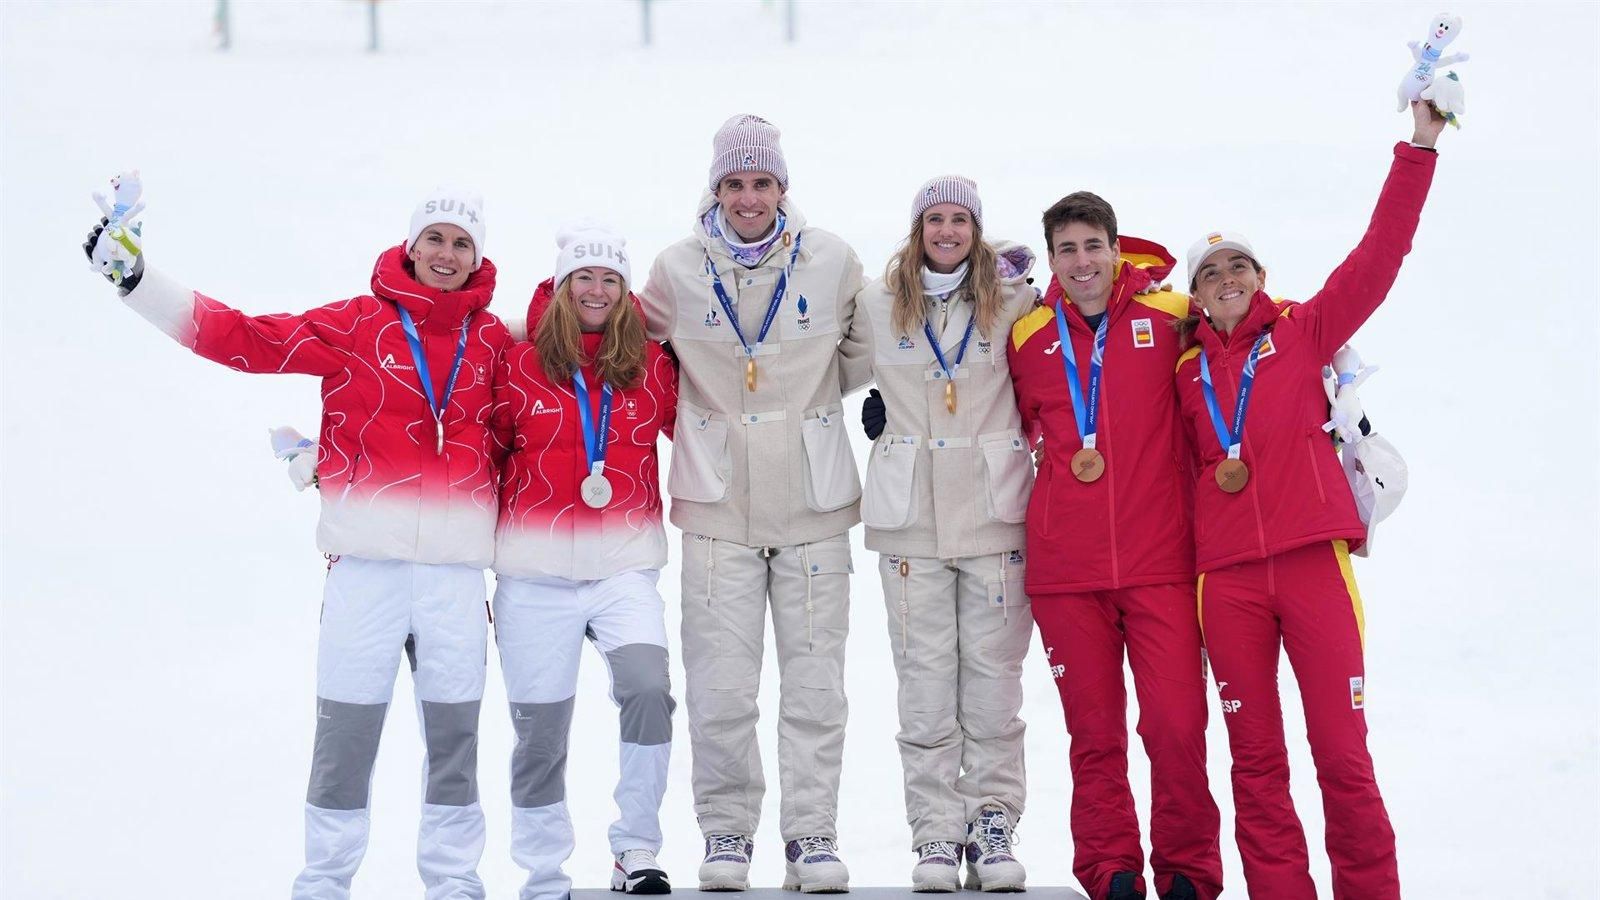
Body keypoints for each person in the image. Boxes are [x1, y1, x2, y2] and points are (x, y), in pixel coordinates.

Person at [83, 191, 509, 900]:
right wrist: (137, 281)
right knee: (344, 740)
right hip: (365, 573)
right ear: (410, 246)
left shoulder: (497, 340)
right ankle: (324, 881)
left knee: (456, 743)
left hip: (455, 580)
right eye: (433, 237)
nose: (445, 253)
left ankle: (455, 880)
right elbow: (244, 338)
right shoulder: (354, 324)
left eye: (461, 242)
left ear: (478, 256)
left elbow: (575, 359)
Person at [1173, 101, 1445, 900]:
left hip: (1310, 563)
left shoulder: (1302, 332)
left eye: (1239, 266)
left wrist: (1419, 146)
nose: (1227, 279)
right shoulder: (1181, 373)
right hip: (1223, 581)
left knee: (1340, 751)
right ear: (1194, 294)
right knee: (1254, 761)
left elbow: (1381, 254)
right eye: (1210, 272)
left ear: (1261, 277)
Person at [639, 114, 867, 893]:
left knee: (815, 686)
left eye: (761, 182)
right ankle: (727, 833)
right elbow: (621, 343)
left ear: (782, 188)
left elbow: (873, 345)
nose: (747, 198)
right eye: (734, 184)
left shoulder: (832, 260)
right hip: (716, 508)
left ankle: (811, 835)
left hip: (812, 503)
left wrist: (815, 413)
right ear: (716, 189)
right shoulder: (675, 270)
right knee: (721, 686)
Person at [1007, 198, 1221, 900]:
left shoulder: (1170, 317)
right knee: (1094, 737)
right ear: (1051, 259)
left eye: (1092, 245)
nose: (1082, 262)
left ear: (1115, 248)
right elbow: (975, 405)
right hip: (1066, 571)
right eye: (1066, 249)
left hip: (1161, 562)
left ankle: (1189, 871)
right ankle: (1111, 873)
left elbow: (1242, 328)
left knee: (1176, 726)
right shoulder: (1028, 336)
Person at [853, 176, 1036, 892]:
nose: (948, 231)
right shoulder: (877, 301)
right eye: (936, 219)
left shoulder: (1015, 298)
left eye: (960, 219)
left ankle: (993, 825)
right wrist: (873, 409)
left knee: (994, 689)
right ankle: (934, 834)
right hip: (909, 521)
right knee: (924, 688)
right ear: (918, 227)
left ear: (977, 228)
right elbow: (816, 365)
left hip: (994, 516)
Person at [488, 225, 680, 900]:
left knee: (649, 692)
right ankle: (544, 872)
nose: (596, 290)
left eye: (610, 280)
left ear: (625, 293)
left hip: (623, 568)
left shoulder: (653, 364)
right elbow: (478, 454)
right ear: (563, 286)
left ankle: (636, 847)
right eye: (584, 277)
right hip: (534, 576)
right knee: (540, 731)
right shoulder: (515, 361)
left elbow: (708, 429)